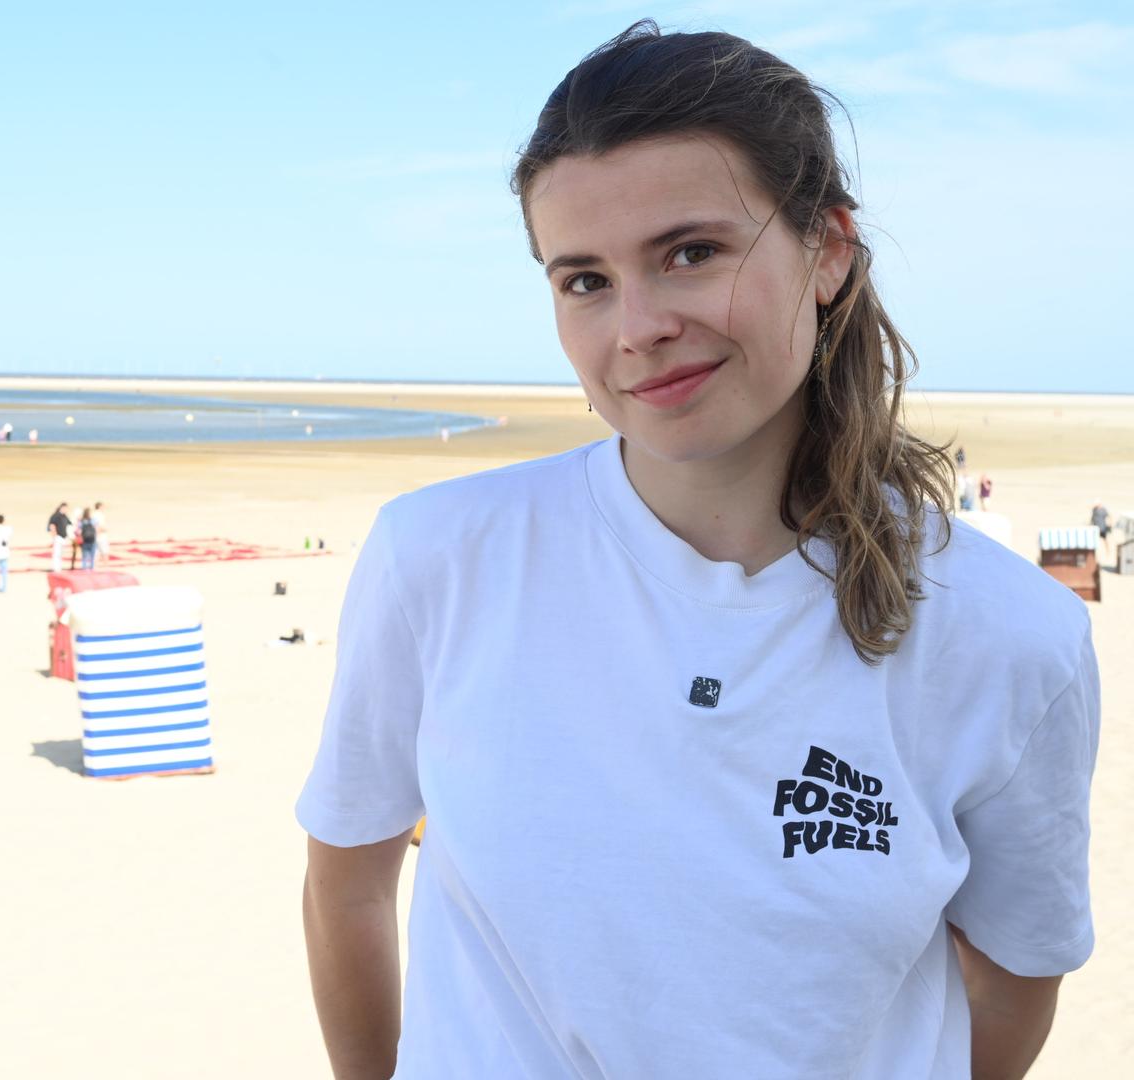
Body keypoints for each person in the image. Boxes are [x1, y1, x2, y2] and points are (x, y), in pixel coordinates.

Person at [297, 24, 1101, 1080]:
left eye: (691, 253)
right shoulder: (442, 557)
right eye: (583, 279)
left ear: (827, 249)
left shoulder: (1007, 632)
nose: (637, 327)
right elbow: (348, 883)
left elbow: (1012, 985)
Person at [47, 503, 72, 572]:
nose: (66, 510)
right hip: (58, 537)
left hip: (63, 538)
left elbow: (70, 525)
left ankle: (59, 567)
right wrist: (54, 536)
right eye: (65, 508)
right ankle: (56, 568)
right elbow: (52, 526)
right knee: (56, 553)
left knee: (60, 554)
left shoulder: (64, 516)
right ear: (62, 507)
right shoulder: (56, 516)